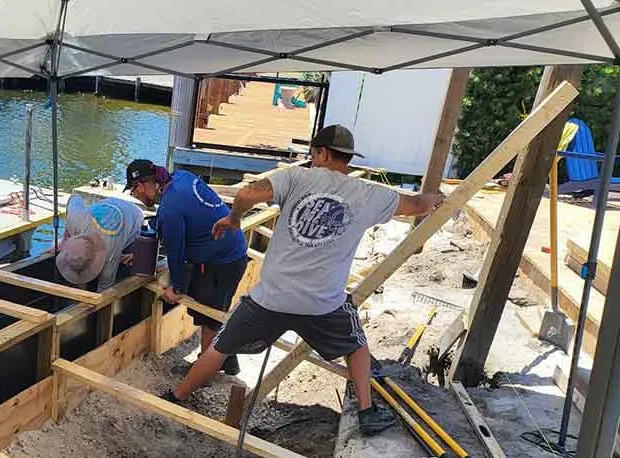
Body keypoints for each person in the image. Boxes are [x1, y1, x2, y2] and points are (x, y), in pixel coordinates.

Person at [164, 125, 445, 435]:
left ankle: (177, 397)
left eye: (313, 154)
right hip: (322, 304)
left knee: (220, 347)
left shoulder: (295, 177)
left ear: (320, 153)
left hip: (271, 298)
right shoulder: (368, 194)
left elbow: (246, 194)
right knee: (356, 346)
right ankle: (367, 411)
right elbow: (418, 205)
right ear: (347, 159)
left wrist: (234, 218)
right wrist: (437, 196)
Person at [125, 159, 249, 375]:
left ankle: (204, 372)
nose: (135, 196)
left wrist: (177, 288)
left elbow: (176, 253)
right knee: (211, 311)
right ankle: (227, 362)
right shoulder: (181, 178)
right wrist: (140, 249)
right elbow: (173, 220)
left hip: (222, 262)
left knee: (210, 318)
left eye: (134, 191)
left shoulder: (171, 208)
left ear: (142, 185)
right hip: (229, 251)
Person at [55, 194, 144, 292]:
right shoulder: (75, 220)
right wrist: (65, 239)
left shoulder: (110, 253)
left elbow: (104, 290)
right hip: (110, 201)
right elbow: (75, 197)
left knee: (130, 260)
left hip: (135, 217)